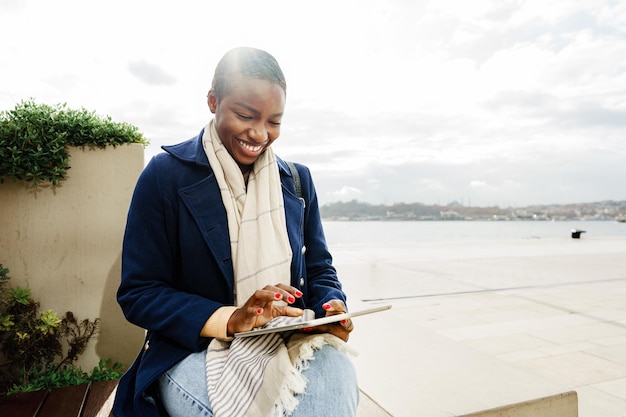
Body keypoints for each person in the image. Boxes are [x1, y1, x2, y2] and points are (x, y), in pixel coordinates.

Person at [112, 47, 359, 417]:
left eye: (274, 121)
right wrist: (231, 318)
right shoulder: (164, 175)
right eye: (245, 115)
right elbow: (140, 293)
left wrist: (329, 308)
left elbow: (320, 268)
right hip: (193, 350)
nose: (259, 134)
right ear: (213, 101)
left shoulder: (297, 181)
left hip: (287, 339)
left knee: (336, 377)